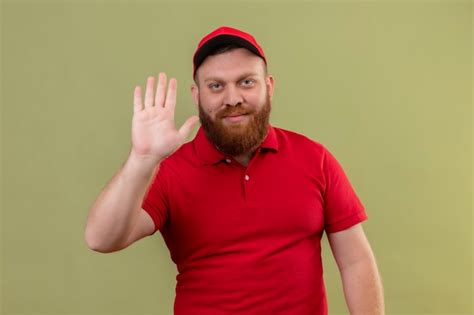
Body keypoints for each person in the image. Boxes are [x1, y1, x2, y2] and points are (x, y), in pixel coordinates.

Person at [85, 26, 385, 315]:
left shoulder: (314, 159)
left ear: (268, 86)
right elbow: (102, 239)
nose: (232, 99)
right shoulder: (167, 171)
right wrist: (142, 158)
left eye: (246, 82)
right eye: (216, 86)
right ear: (197, 95)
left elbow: (355, 260)